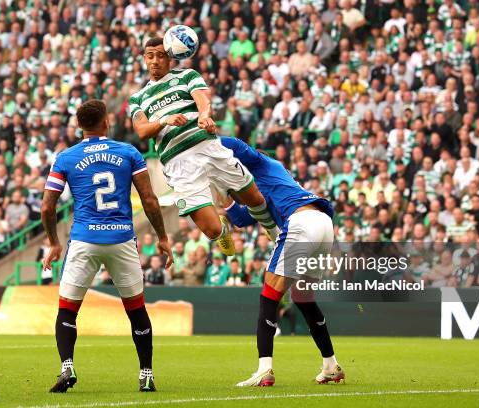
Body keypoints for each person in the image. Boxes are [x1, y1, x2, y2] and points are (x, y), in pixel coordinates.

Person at [41, 100, 173, 393]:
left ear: (80, 126)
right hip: (122, 239)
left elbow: (48, 208)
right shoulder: (128, 152)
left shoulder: (65, 157)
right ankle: (146, 373)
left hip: (84, 239)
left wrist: (53, 242)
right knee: (136, 310)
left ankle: (67, 367)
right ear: (106, 122)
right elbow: (149, 200)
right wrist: (162, 237)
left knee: (67, 310)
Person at [129, 37, 278, 257]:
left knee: (254, 198)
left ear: (170, 57)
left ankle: (276, 234)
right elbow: (141, 130)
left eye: (161, 55)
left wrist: (204, 115)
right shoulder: (138, 98)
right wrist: (164, 120)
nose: (155, 61)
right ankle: (221, 231)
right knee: (210, 229)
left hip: (207, 146)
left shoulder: (187, 75)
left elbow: (202, 99)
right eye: (150, 56)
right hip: (178, 164)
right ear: (143, 58)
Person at [219, 137, 343, 387]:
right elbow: (243, 218)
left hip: (302, 224)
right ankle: (331, 365)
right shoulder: (263, 188)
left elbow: (236, 145)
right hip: (322, 224)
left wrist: (203, 144)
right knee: (303, 299)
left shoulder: (263, 163)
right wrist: (222, 192)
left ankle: (265, 370)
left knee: (268, 296)